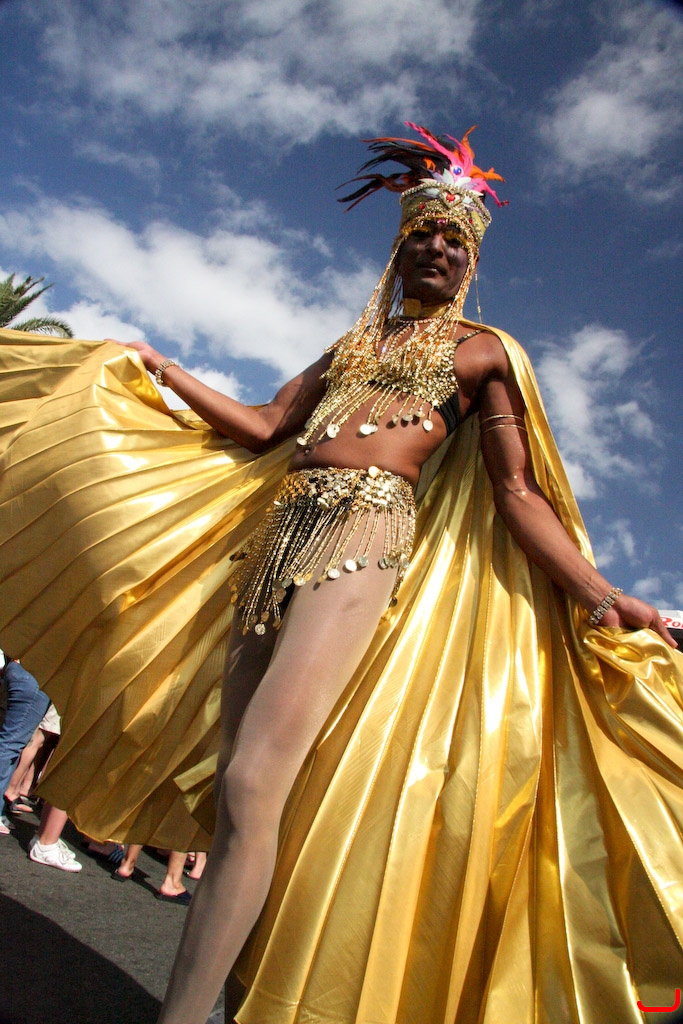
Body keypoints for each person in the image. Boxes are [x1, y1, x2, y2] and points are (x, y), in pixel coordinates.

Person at [0, 124, 681, 1023]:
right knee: (241, 795)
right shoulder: (350, 347)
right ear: (399, 248)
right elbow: (264, 425)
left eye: (453, 239)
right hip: (277, 538)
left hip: (366, 534)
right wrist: (162, 368)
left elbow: (516, 494)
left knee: (253, 784)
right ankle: (218, 1000)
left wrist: (604, 597)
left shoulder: (485, 353)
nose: (435, 248)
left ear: (470, 259)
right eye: (421, 234)